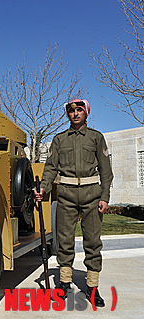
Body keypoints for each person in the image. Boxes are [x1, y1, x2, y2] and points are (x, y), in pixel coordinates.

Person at [34, 99, 113, 307]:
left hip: (92, 195)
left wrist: (105, 196)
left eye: (79, 110)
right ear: (68, 114)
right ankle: (65, 283)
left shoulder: (96, 137)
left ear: (86, 113)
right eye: (72, 111)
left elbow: (106, 171)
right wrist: (44, 187)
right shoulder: (59, 140)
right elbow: (51, 168)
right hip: (66, 194)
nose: (75, 114)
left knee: (93, 243)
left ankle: (92, 286)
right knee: (64, 241)